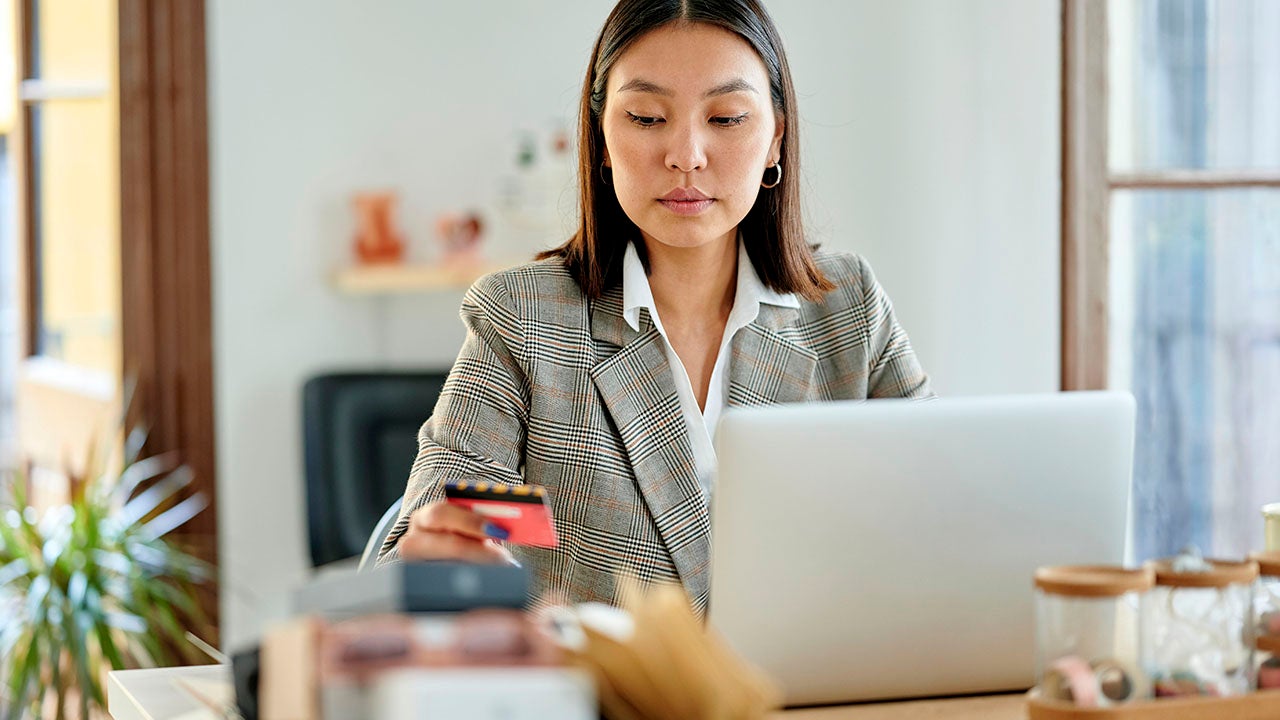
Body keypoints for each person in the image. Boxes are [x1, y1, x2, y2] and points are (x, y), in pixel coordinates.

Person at [377, 0, 933, 613]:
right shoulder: (522, 319)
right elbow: (436, 519)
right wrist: (445, 548)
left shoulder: (847, 306)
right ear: (603, 140)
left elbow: (940, 507)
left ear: (775, 137)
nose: (686, 155)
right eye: (646, 117)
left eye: (725, 118)